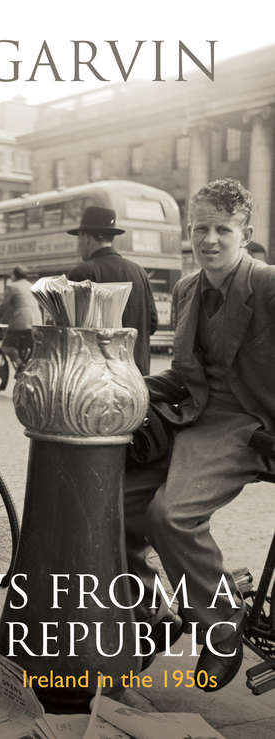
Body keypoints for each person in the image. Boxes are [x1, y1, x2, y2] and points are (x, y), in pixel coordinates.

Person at [124, 178, 275, 692]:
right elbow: (186, 375)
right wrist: (124, 386)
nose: (209, 239)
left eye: (222, 230)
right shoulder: (187, 289)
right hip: (193, 419)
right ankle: (152, 615)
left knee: (171, 516)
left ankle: (220, 627)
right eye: (200, 228)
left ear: (245, 233)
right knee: (116, 502)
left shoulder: (268, 285)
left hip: (251, 424)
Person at [67, 206, 158, 375]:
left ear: (86, 237)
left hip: (98, 378)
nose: (77, 246)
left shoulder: (82, 273)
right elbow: (152, 325)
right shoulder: (140, 272)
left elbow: (71, 331)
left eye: (78, 238)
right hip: (137, 375)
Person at [0, 265, 41, 373]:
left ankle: (21, 365)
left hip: (22, 322)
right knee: (29, 349)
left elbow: (3, 306)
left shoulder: (12, 287)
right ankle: (26, 367)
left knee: (7, 347)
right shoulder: (32, 286)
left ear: (14, 275)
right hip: (36, 322)